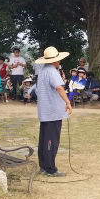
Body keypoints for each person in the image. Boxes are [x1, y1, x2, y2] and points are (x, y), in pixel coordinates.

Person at [33, 46, 73, 177]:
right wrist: (68, 102)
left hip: (45, 111)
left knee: (44, 140)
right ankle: (50, 168)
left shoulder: (43, 72)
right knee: (52, 140)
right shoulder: (52, 72)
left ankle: (44, 166)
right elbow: (59, 88)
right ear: (55, 61)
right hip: (53, 112)